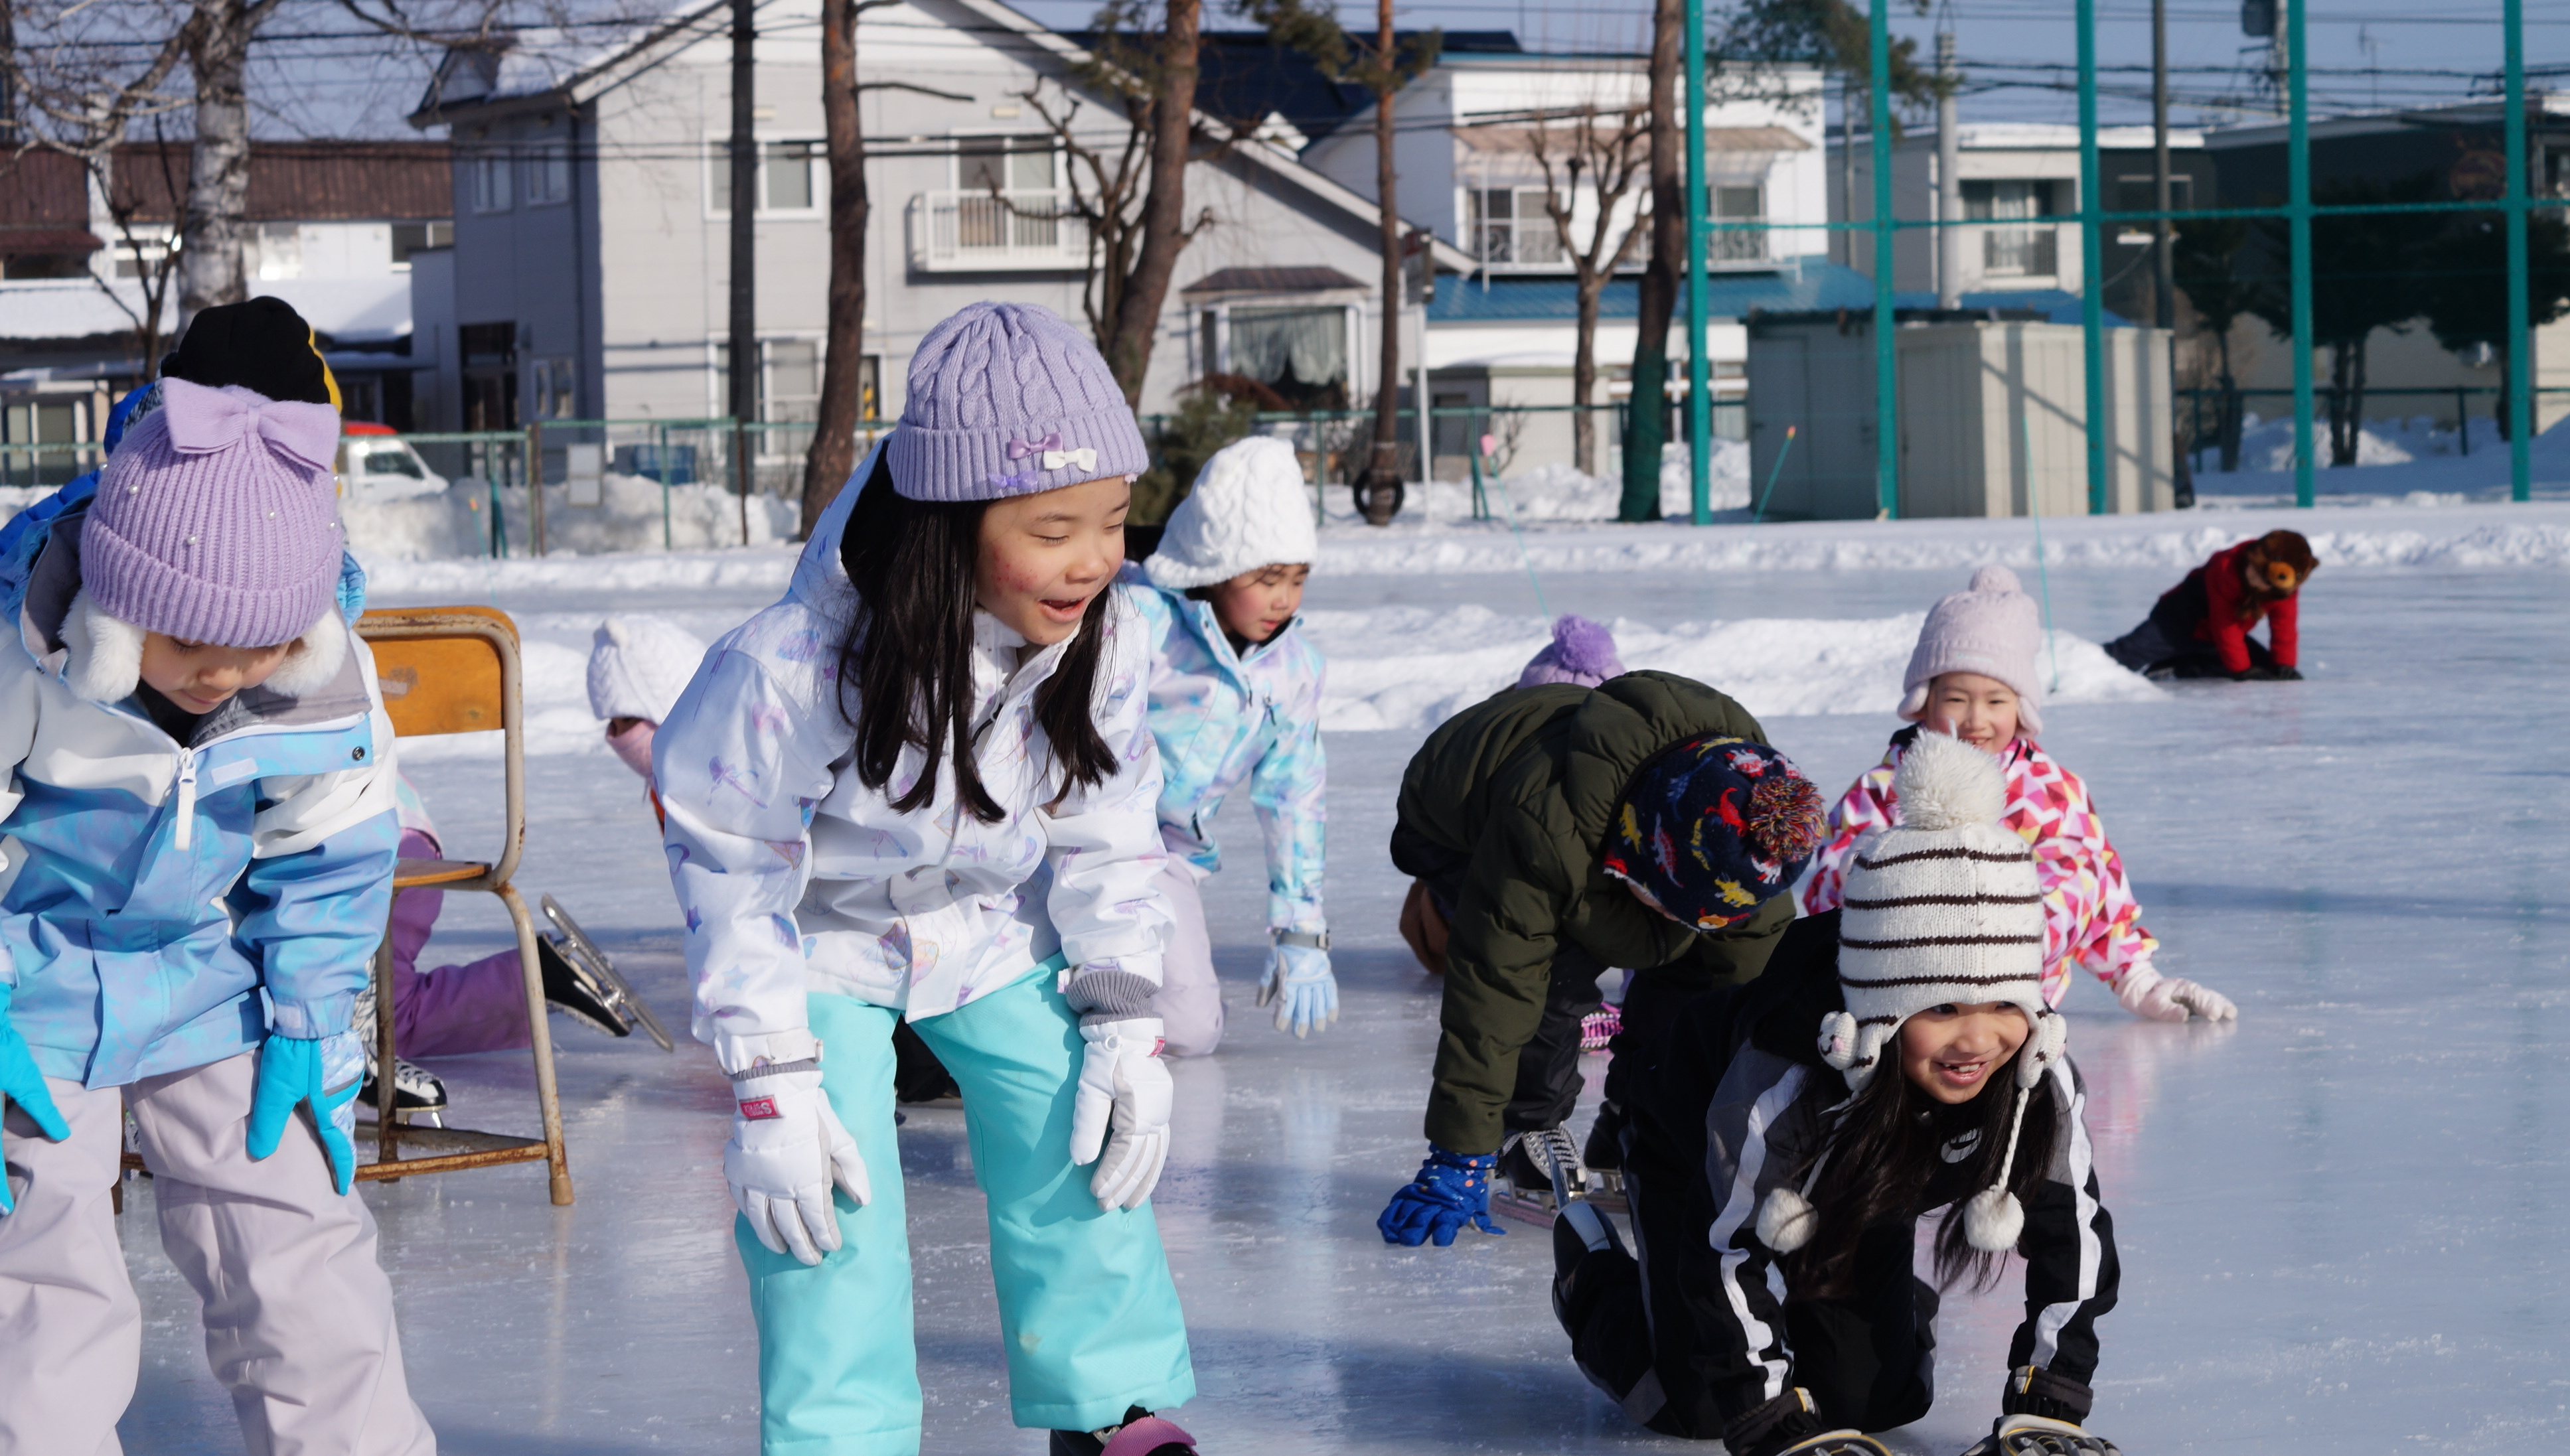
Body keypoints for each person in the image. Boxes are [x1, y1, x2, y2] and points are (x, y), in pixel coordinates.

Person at [654, 302, 1201, 1456]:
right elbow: (729, 852)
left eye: (1113, 520)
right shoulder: (805, 659)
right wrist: (769, 1076)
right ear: (950, 525)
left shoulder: (1100, 635)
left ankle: (1111, 1410)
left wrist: (1122, 1012)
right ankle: (842, 1440)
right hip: (819, 943)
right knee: (824, 1196)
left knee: (1079, 1124)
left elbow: (1107, 820)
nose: (1093, 559)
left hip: (983, 921)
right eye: (1053, 528)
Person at [0, 379, 435, 1451]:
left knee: (297, 1236)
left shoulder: (317, 680)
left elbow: (332, 847)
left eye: (263, 645)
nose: (227, 674)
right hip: (29, 983)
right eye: (193, 642)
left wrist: (309, 1018)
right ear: (118, 608)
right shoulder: (19, 659)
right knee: (36, 1264)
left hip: (209, 971)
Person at [1552, 732, 2124, 1456]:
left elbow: (2073, 1233)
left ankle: (1880, 1312)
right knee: (1694, 1403)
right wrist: (1768, 1418)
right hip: (1690, 1129)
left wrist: (2052, 1395)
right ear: (1884, 1011)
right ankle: (1590, 1271)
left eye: (2003, 1004)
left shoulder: (2035, 1074)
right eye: (1942, 1008)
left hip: (1865, 1170)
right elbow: (1724, 1248)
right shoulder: (1783, 1081)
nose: (1978, 1040)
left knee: (1880, 1399)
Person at [1377, 669, 1828, 1245]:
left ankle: (1635, 1115)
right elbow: (1495, 988)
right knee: (1552, 978)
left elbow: (1757, 981)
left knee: (1708, 967)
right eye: (1669, 904)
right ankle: (1526, 1128)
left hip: (1623, 823)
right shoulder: (1543, 831)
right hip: (1454, 814)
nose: (1677, 922)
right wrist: (1460, 1146)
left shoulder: (1746, 833)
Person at [1804, 567, 2236, 1023]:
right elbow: (1822, 893)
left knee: (2081, 865)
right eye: (1956, 699)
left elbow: (2094, 892)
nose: (1975, 719)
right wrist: (1861, 868)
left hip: (2017, 998)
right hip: (1908, 997)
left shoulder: (2051, 791)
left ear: (2021, 708)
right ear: (1924, 702)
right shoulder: (1882, 787)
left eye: (1996, 701)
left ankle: (2010, 998)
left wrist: (2138, 980)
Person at [1118, 434, 1329, 1052]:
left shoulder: (1295, 672)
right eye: (1267, 578)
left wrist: (1300, 928)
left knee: (1191, 1032)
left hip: (1165, 857)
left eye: (1297, 578)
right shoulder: (1140, 621)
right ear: (1213, 569)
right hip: (1070, 839)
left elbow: (1294, 797)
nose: (1284, 599)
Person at [2103, 529, 2318, 680]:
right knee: (2124, 655)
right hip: (2176, 622)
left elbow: (2284, 627)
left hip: (2214, 639)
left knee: (2266, 670)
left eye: (2263, 580)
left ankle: (2182, 665)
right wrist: (2241, 671)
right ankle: (2083, 661)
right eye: (2254, 569)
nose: (2253, 579)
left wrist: (2284, 664)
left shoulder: (2282, 593)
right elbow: (2226, 626)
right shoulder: (2226, 569)